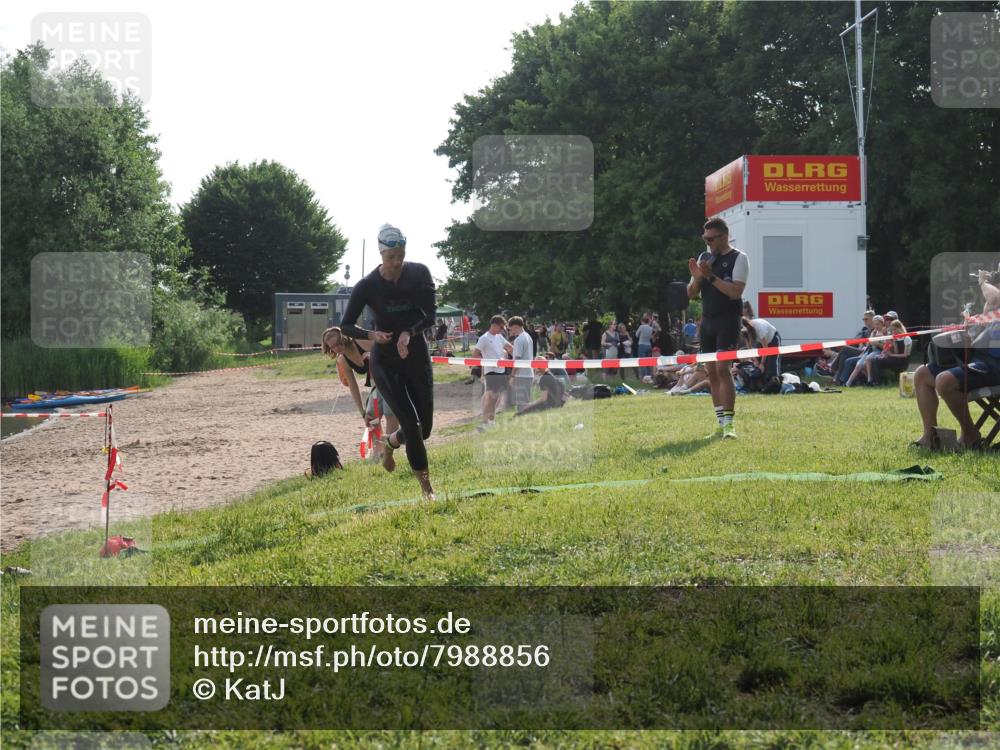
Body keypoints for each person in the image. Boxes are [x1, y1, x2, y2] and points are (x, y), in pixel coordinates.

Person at [339, 224, 438, 500]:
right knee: (410, 424)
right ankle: (427, 490)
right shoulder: (368, 285)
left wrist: (408, 333)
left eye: (401, 256)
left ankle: (390, 443)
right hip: (385, 362)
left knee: (424, 429)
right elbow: (346, 325)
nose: (396, 262)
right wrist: (370, 334)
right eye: (391, 257)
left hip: (415, 354)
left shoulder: (419, 273)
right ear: (381, 254)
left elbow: (429, 315)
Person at [912, 269, 1000, 450]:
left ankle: (970, 434)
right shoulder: (992, 304)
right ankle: (930, 436)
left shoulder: (994, 297)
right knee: (922, 374)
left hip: (995, 365)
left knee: (944, 381)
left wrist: (983, 282)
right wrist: (968, 330)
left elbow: (995, 299)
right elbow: (982, 332)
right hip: (979, 358)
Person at [687, 217, 748, 438]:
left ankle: (730, 425)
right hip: (708, 322)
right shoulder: (705, 258)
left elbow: (735, 292)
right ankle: (720, 422)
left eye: (711, 239)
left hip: (729, 320)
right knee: (711, 371)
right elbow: (691, 294)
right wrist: (696, 279)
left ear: (723, 237)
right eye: (705, 239)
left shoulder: (739, 258)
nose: (707, 242)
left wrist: (710, 276)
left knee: (723, 369)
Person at [321, 327, 401, 471]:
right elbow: (353, 386)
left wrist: (373, 356)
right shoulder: (343, 360)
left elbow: (387, 349)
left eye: (339, 343)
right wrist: (362, 412)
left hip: (393, 375)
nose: (338, 347)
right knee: (371, 416)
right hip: (378, 383)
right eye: (333, 346)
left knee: (390, 413)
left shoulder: (360, 341)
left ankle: (390, 452)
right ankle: (379, 453)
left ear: (344, 337)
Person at [473, 315, 513, 430]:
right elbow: (475, 354)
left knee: (497, 398)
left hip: (501, 371)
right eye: (501, 328)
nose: (502, 330)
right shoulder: (484, 338)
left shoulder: (499, 337)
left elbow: (510, 348)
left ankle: (491, 421)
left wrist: (506, 355)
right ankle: (485, 423)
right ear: (494, 325)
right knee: (491, 397)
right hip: (491, 371)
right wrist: (484, 365)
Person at [866, 319, 910, 385]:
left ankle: (876, 382)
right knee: (875, 359)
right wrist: (891, 346)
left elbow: (905, 355)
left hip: (902, 360)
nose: (893, 332)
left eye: (895, 329)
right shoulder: (896, 338)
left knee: (877, 360)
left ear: (900, 328)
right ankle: (874, 381)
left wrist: (891, 355)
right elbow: (895, 351)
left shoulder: (907, 338)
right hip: (895, 358)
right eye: (892, 330)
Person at [741, 317, 781, 382]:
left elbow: (765, 348)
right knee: (757, 365)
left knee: (772, 364)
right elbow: (749, 347)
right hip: (761, 343)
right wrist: (755, 360)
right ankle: (762, 384)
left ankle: (775, 382)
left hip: (773, 339)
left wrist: (762, 363)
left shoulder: (759, 328)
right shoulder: (746, 331)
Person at [508, 316, 535, 412]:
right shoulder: (528, 337)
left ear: (515, 326)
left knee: (521, 404)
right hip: (528, 373)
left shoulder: (519, 340)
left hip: (522, 375)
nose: (511, 331)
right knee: (526, 401)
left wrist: (512, 376)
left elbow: (517, 361)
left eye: (510, 328)